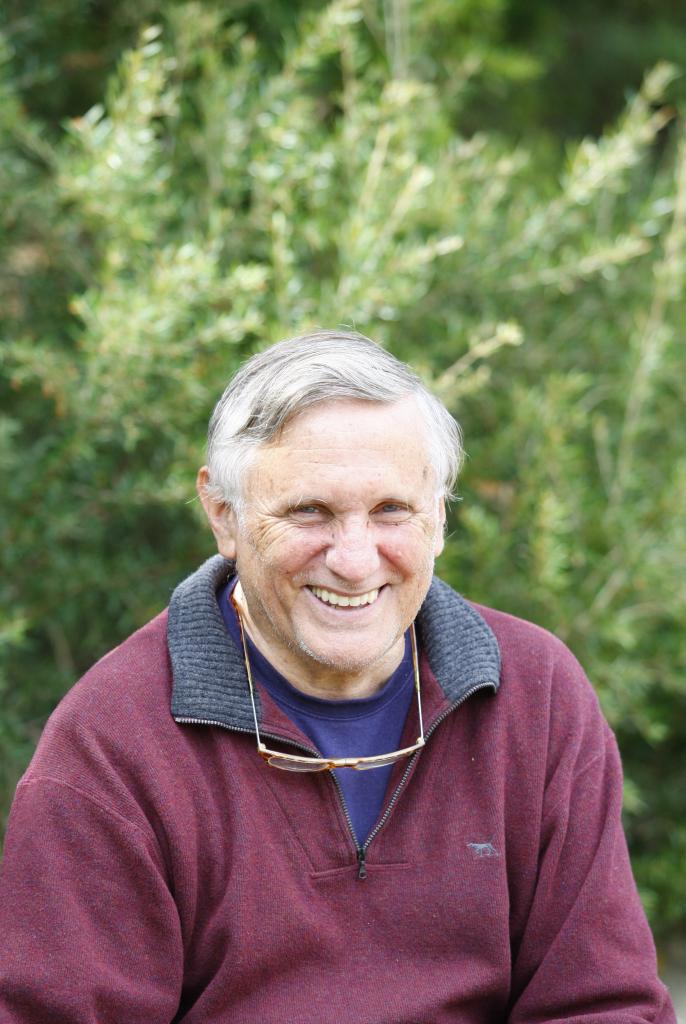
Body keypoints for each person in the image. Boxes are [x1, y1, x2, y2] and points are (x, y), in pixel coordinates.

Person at [0, 331, 675, 1023]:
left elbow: (602, 1002)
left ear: (439, 515)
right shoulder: (110, 746)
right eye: (307, 511)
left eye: (391, 510)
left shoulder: (540, 695)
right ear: (223, 515)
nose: (354, 560)